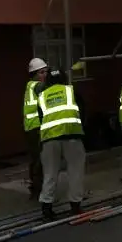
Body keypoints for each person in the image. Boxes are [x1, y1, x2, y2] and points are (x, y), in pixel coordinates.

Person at [36, 69, 85, 220]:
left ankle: (47, 209)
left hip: (49, 138)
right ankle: (75, 206)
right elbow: (82, 111)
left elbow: (41, 117)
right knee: (75, 171)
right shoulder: (71, 91)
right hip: (72, 135)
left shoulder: (42, 96)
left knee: (50, 173)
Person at [24, 58, 49, 200]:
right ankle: (39, 191)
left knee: (35, 160)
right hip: (37, 128)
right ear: (34, 74)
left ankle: (35, 188)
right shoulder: (37, 86)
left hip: (31, 128)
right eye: (41, 72)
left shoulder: (30, 86)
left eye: (46, 72)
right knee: (40, 161)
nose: (44, 75)